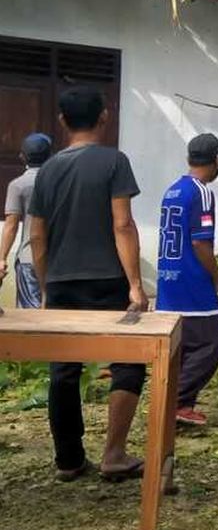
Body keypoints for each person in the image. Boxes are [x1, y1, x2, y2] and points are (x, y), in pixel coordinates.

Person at [28, 87, 147, 482]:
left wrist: (47, 286)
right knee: (128, 361)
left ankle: (68, 460)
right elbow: (122, 224)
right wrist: (135, 285)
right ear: (104, 117)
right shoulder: (114, 161)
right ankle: (114, 454)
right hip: (108, 279)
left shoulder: (46, 170)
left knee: (63, 369)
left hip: (61, 279)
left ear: (62, 121)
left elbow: (38, 237)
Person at [156, 133, 218, 427]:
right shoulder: (201, 193)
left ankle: (175, 401)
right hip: (191, 282)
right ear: (217, 160)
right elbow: (201, 243)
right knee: (212, 341)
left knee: (182, 346)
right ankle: (177, 402)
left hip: (168, 279)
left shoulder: (172, 190)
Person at [1, 133, 52, 308]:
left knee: (30, 316)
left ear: (22, 156)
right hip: (56, 259)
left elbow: (11, 225)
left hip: (28, 258)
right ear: (50, 155)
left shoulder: (18, 185)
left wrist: (2, 258)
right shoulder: (58, 182)